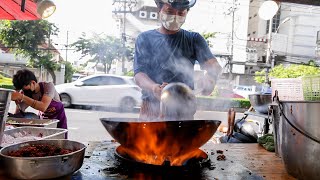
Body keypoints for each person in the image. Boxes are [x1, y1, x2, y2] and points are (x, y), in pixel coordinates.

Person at [134, 0, 222, 120]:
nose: (175, 17)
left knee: (183, 138)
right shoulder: (145, 38)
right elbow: (139, 75)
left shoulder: (193, 39)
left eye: (180, 13)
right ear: (159, 10)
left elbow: (214, 66)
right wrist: (154, 87)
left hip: (183, 109)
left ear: (186, 13)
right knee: (148, 138)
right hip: (151, 108)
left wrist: (211, 77)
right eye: (169, 11)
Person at [10, 69, 68, 137]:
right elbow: (19, 112)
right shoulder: (27, 93)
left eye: (24, 89)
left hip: (59, 117)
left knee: (60, 138)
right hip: (44, 119)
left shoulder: (48, 86)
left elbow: (43, 107)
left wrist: (22, 97)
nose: (24, 91)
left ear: (33, 83)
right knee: (44, 138)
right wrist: (17, 102)